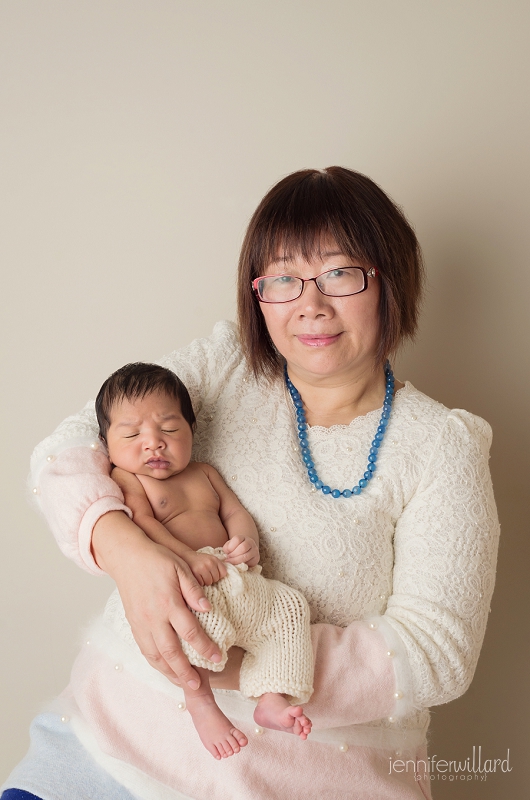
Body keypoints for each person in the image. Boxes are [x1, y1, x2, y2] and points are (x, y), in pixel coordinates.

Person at [2, 166, 500, 800]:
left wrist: (242, 665)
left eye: (340, 274)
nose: (310, 304)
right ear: (257, 292)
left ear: (390, 283)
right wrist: (130, 558)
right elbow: (69, 448)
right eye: (284, 279)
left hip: (311, 778)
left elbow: (438, 652)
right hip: (109, 750)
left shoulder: (441, 446)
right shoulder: (225, 366)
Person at [95, 361, 313, 760]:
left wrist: (246, 540)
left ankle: (271, 696)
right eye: (131, 433)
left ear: (191, 431)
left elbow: (233, 512)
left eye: (170, 428)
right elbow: (143, 524)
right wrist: (188, 557)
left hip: (235, 575)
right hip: (182, 580)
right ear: (106, 443)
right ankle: (200, 701)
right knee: (190, 635)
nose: (154, 442)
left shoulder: (205, 473)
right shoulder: (129, 479)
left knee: (289, 609)